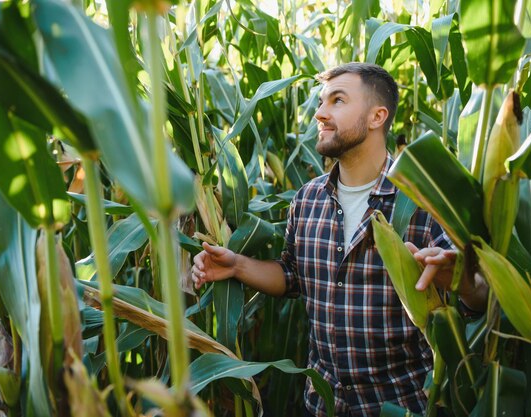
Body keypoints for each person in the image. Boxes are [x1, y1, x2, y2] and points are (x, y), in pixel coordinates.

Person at [191, 63, 488, 417]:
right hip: (322, 405)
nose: (320, 113)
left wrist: (461, 280)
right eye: (321, 102)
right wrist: (237, 265)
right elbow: (293, 277)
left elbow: (479, 303)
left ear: (377, 116)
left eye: (337, 101)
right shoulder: (308, 199)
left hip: (400, 406)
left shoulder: (422, 200)